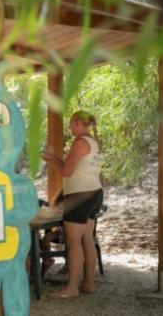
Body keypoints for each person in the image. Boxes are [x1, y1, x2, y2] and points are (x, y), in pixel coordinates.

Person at [42, 110, 103, 299]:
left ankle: (72, 288)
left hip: (79, 195)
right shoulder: (93, 142)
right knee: (87, 239)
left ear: (77, 123)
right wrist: (54, 158)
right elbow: (71, 167)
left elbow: (67, 172)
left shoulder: (79, 142)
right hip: (95, 192)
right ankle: (88, 285)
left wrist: (52, 159)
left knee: (73, 242)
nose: (69, 126)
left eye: (71, 123)